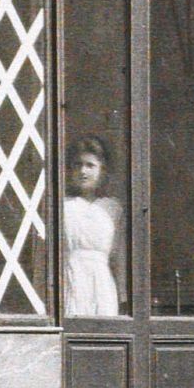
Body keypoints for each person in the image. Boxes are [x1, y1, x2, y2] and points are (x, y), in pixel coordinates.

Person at [62, 135, 125, 316]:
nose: (83, 171)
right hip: (70, 280)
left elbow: (120, 256)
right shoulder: (63, 206)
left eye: (90, 165)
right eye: (78, 165)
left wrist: (123, 297)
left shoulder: (112, 209)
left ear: (103, 170)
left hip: (102, 284)